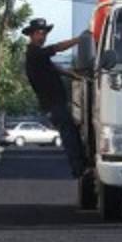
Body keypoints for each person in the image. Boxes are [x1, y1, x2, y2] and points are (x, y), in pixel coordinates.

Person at [22, 19, 86, 177]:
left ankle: (80, 165)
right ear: (31, 35)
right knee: (68, 133)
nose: (42, 37)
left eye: (44, 33)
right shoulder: (34, 53)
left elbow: (55, 68)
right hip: (52, 103)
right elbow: (57, 48)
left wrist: (74, 75)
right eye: (39, 33)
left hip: (57, 102)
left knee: (72, 131)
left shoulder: (40, 55)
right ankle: (78, 168)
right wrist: (79, 40)